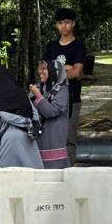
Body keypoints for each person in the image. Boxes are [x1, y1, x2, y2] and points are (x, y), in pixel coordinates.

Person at [43, 8, 87, 163]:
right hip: (51, 100)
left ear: (73, 24)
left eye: (67, 22)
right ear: (56, 25)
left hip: (72, 99)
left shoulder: (78, 46)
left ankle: (69, 173)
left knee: (69, 139)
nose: (64, 26)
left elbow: (76, 72)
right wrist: (67, 68)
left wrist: (56, 71)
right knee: (51, 137)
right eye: (60, 23)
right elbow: (43, 71)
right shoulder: (51, 46)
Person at [0, 63, 42, 168]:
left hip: (8, 138)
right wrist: (31, 124)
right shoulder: (20, 92)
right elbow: (34, 111)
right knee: (32, 175)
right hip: (27, 136)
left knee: (7, 177)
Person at [29, 59, 71, 168]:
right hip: (40, 138)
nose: (40, 72)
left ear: (53, 71)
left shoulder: (62, 90)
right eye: (39, 69)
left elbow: (52, 111)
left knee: (55, 172)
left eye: (44, 69)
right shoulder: (42, 88)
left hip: (54, 139)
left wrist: (38, 96)